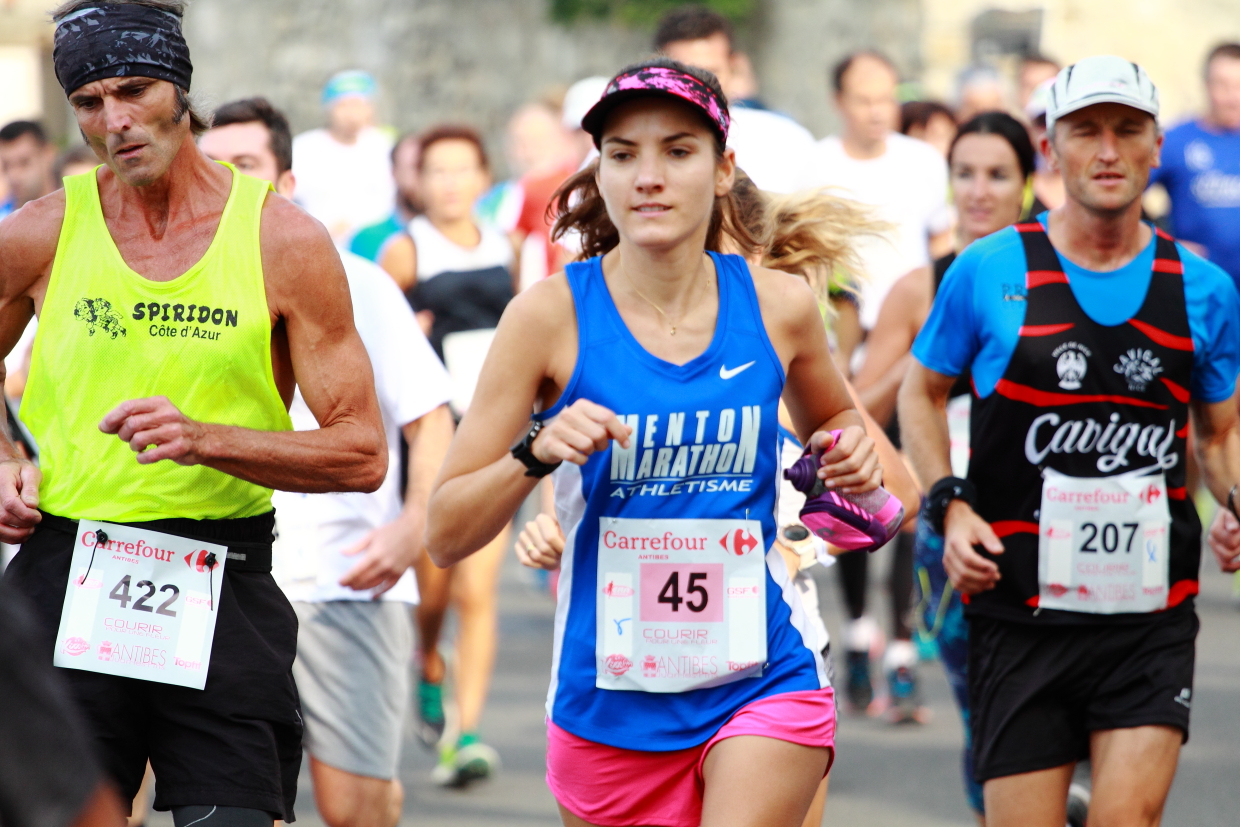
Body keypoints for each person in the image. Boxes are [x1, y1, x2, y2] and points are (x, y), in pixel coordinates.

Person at [426, 57, 889, 827]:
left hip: (762, 672)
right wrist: (534, 452)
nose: (649, 175)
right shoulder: (546, 318)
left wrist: (852, 465)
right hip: (608, 698)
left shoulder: (779, 308)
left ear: (721, 170)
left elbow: (848, 450)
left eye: (677, 150)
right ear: (599, 173)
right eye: (623, 154)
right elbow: (446, 531)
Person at [0, 4, 387, 827]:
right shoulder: (41, 231)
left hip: (222, 575)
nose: (116, 122)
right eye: (91, 103)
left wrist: (205, 440)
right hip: (68, 563)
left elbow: (361, 451)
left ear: (180, 88)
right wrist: (2, 458)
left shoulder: (283, 241)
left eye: (135, 91)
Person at [899, 55, 1240, 827]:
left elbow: (1221, 431)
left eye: (1128, 131)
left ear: (1158, 148)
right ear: (1051, 148)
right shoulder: (988, 269)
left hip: (1150, 612)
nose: (1108, 150)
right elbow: (918, 394)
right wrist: (948, 504)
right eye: (1086, 130)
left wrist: (1236, 499)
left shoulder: (1204, 289)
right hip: (1019, 613)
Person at [200, 96, 456, 827]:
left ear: (284, 181)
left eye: (245, 166)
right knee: (236, 803)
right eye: (211, 169)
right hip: (215, 576)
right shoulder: (171, 291)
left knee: (356, 808)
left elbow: (427, 415)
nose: (227, 184)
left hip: (345, 575)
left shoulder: (358, 280)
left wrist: (413, 528)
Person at [855, 111, 1035, 816]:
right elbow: (853, 404)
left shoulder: (1058, 275)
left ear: (1028, 182)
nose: (980, 190)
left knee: (1066, 703)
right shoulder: (920, 285)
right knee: (987, 708)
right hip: (952, 524)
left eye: (998, 175)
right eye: (966, 174)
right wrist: (916, 368)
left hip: (1049, 514)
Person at [380, 123, 515, 786]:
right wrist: (410, 333)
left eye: (464, 169)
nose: (451, 182)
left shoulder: (510, 246)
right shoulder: (406, 252)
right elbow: (369, 336)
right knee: (433, 592)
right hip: (435, 442)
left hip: (496, 435)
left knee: (478, 587)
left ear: (484, 177)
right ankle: (428, 659)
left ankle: (464, 732)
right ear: (418, 181)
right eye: (437, 170)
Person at [815, 51, 953, 338]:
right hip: (839, 331)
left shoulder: (925, 160)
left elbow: (941, 241)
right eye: (864, 101)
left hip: (913, 329)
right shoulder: (815, 165)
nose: (877, 112)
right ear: (838, 101)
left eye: (886, 99)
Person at [655, 4, 820, 194]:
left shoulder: (789, 142)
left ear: (733, 66)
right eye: (684, 77)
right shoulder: (637, 151)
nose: (698, 87)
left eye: (709, 73)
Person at [1148, 43, 1240, 291]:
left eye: (1239, 86)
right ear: (1206, 85)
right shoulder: (1177, 141)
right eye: (1223, 85)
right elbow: (1124, 192)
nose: (1232, 97)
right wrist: (1159, 245)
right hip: (1198, 291)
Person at [293, 70, 396, 242]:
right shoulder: (304, 148)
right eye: (343, 105)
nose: (351, 114)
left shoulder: (386, 146)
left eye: (358, 104)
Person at [349, 134, 422, 264]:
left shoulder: (465, 236)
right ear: (394, 173)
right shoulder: (367, 239)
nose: (423, 177)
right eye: (414, 167)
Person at [0, 121, 58, 220]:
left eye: (24, 162)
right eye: (7, 166)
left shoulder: (75, 210)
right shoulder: (3, 222)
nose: (14, 175)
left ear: (48, 154)